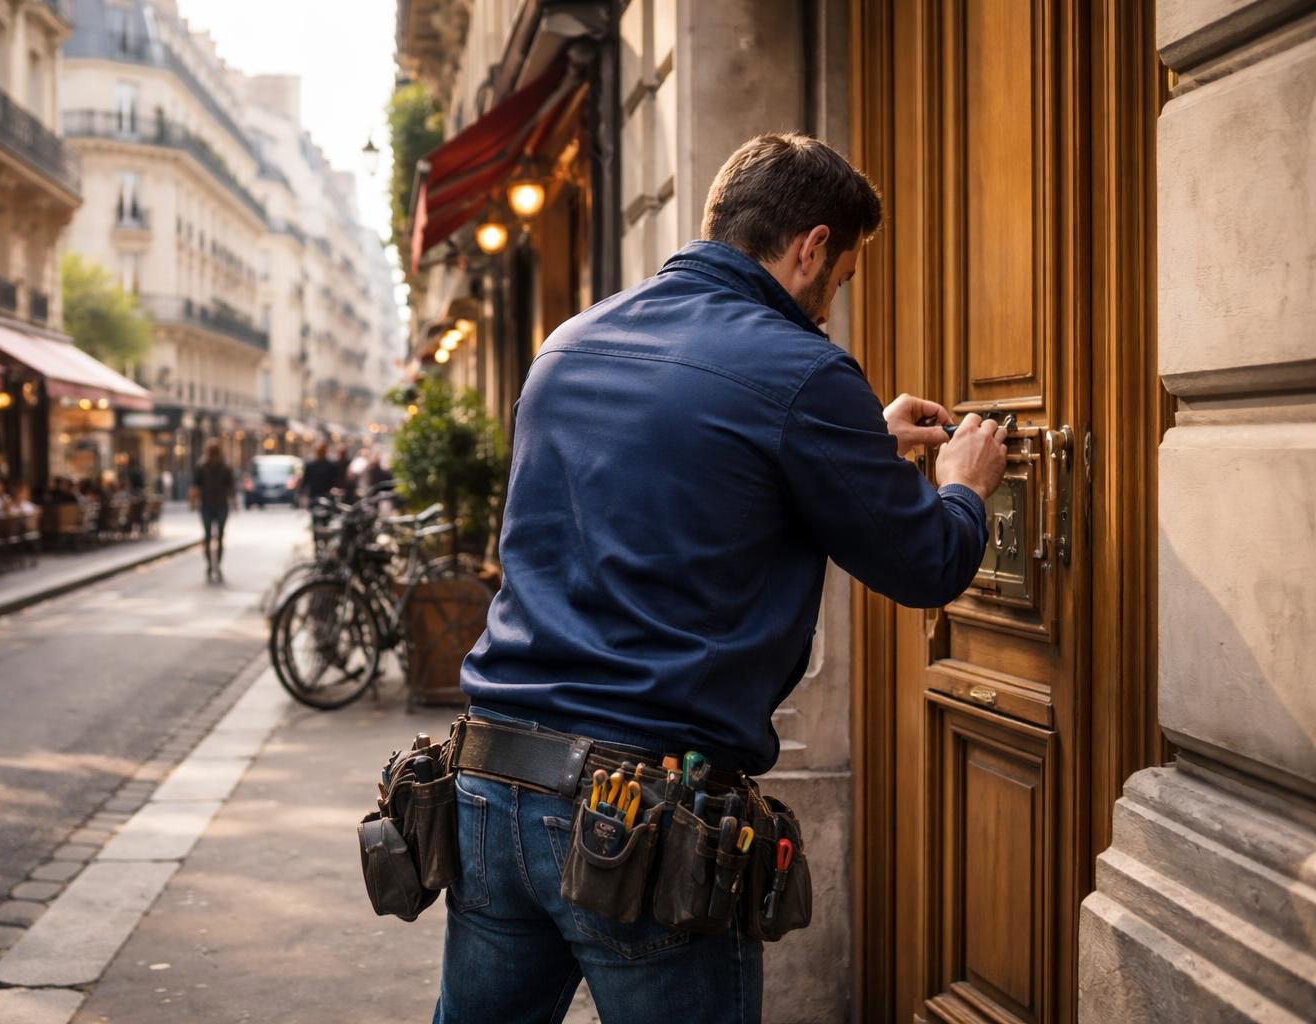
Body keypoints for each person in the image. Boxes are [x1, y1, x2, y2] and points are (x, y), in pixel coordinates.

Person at [433, 134, 1009, 1023]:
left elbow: (672, 475)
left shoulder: (569, 344)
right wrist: (964, 486)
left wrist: (857, 439)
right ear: (813, 246)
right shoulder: (801, 368)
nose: (831, 304)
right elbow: (927, 562)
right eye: (840, 280)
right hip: (641, 810)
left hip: (490, 777)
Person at [190, 441, 236, 582]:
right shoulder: (201, 467)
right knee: (207, 536)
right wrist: (193, 501)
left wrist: (234, 502)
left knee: (220, 536)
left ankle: (218, 565)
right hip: (206, 506)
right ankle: (210, 565)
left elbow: (231, 486)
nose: (214, 456)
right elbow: (196, 486)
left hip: (221, 505)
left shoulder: (225, 467)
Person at [300, 442, 340, 507]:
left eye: (322, 451)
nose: (321, 453)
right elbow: (305, 481)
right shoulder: (310, 465)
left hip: (328, 496)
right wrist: (302, 493)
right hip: (314, 496)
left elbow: (336, 480)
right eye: (319, 451)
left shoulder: (331, 465)